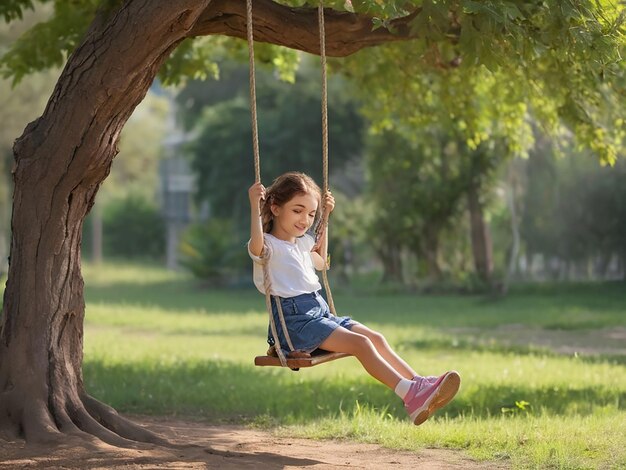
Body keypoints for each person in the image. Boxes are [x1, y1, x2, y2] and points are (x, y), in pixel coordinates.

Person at [248, 172, 460, 425]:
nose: (305, 219)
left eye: (311, 214)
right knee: (361, 345)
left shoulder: (303, 244)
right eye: (297, 210)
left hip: (319, 313)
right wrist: (254, 206)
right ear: (275, 207)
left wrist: (325, 218)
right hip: (294, 324)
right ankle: (409, 395)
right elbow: (256, 247)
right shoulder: (269, 246)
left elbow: (321, 262)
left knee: (375, 338)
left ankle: (419, 384)